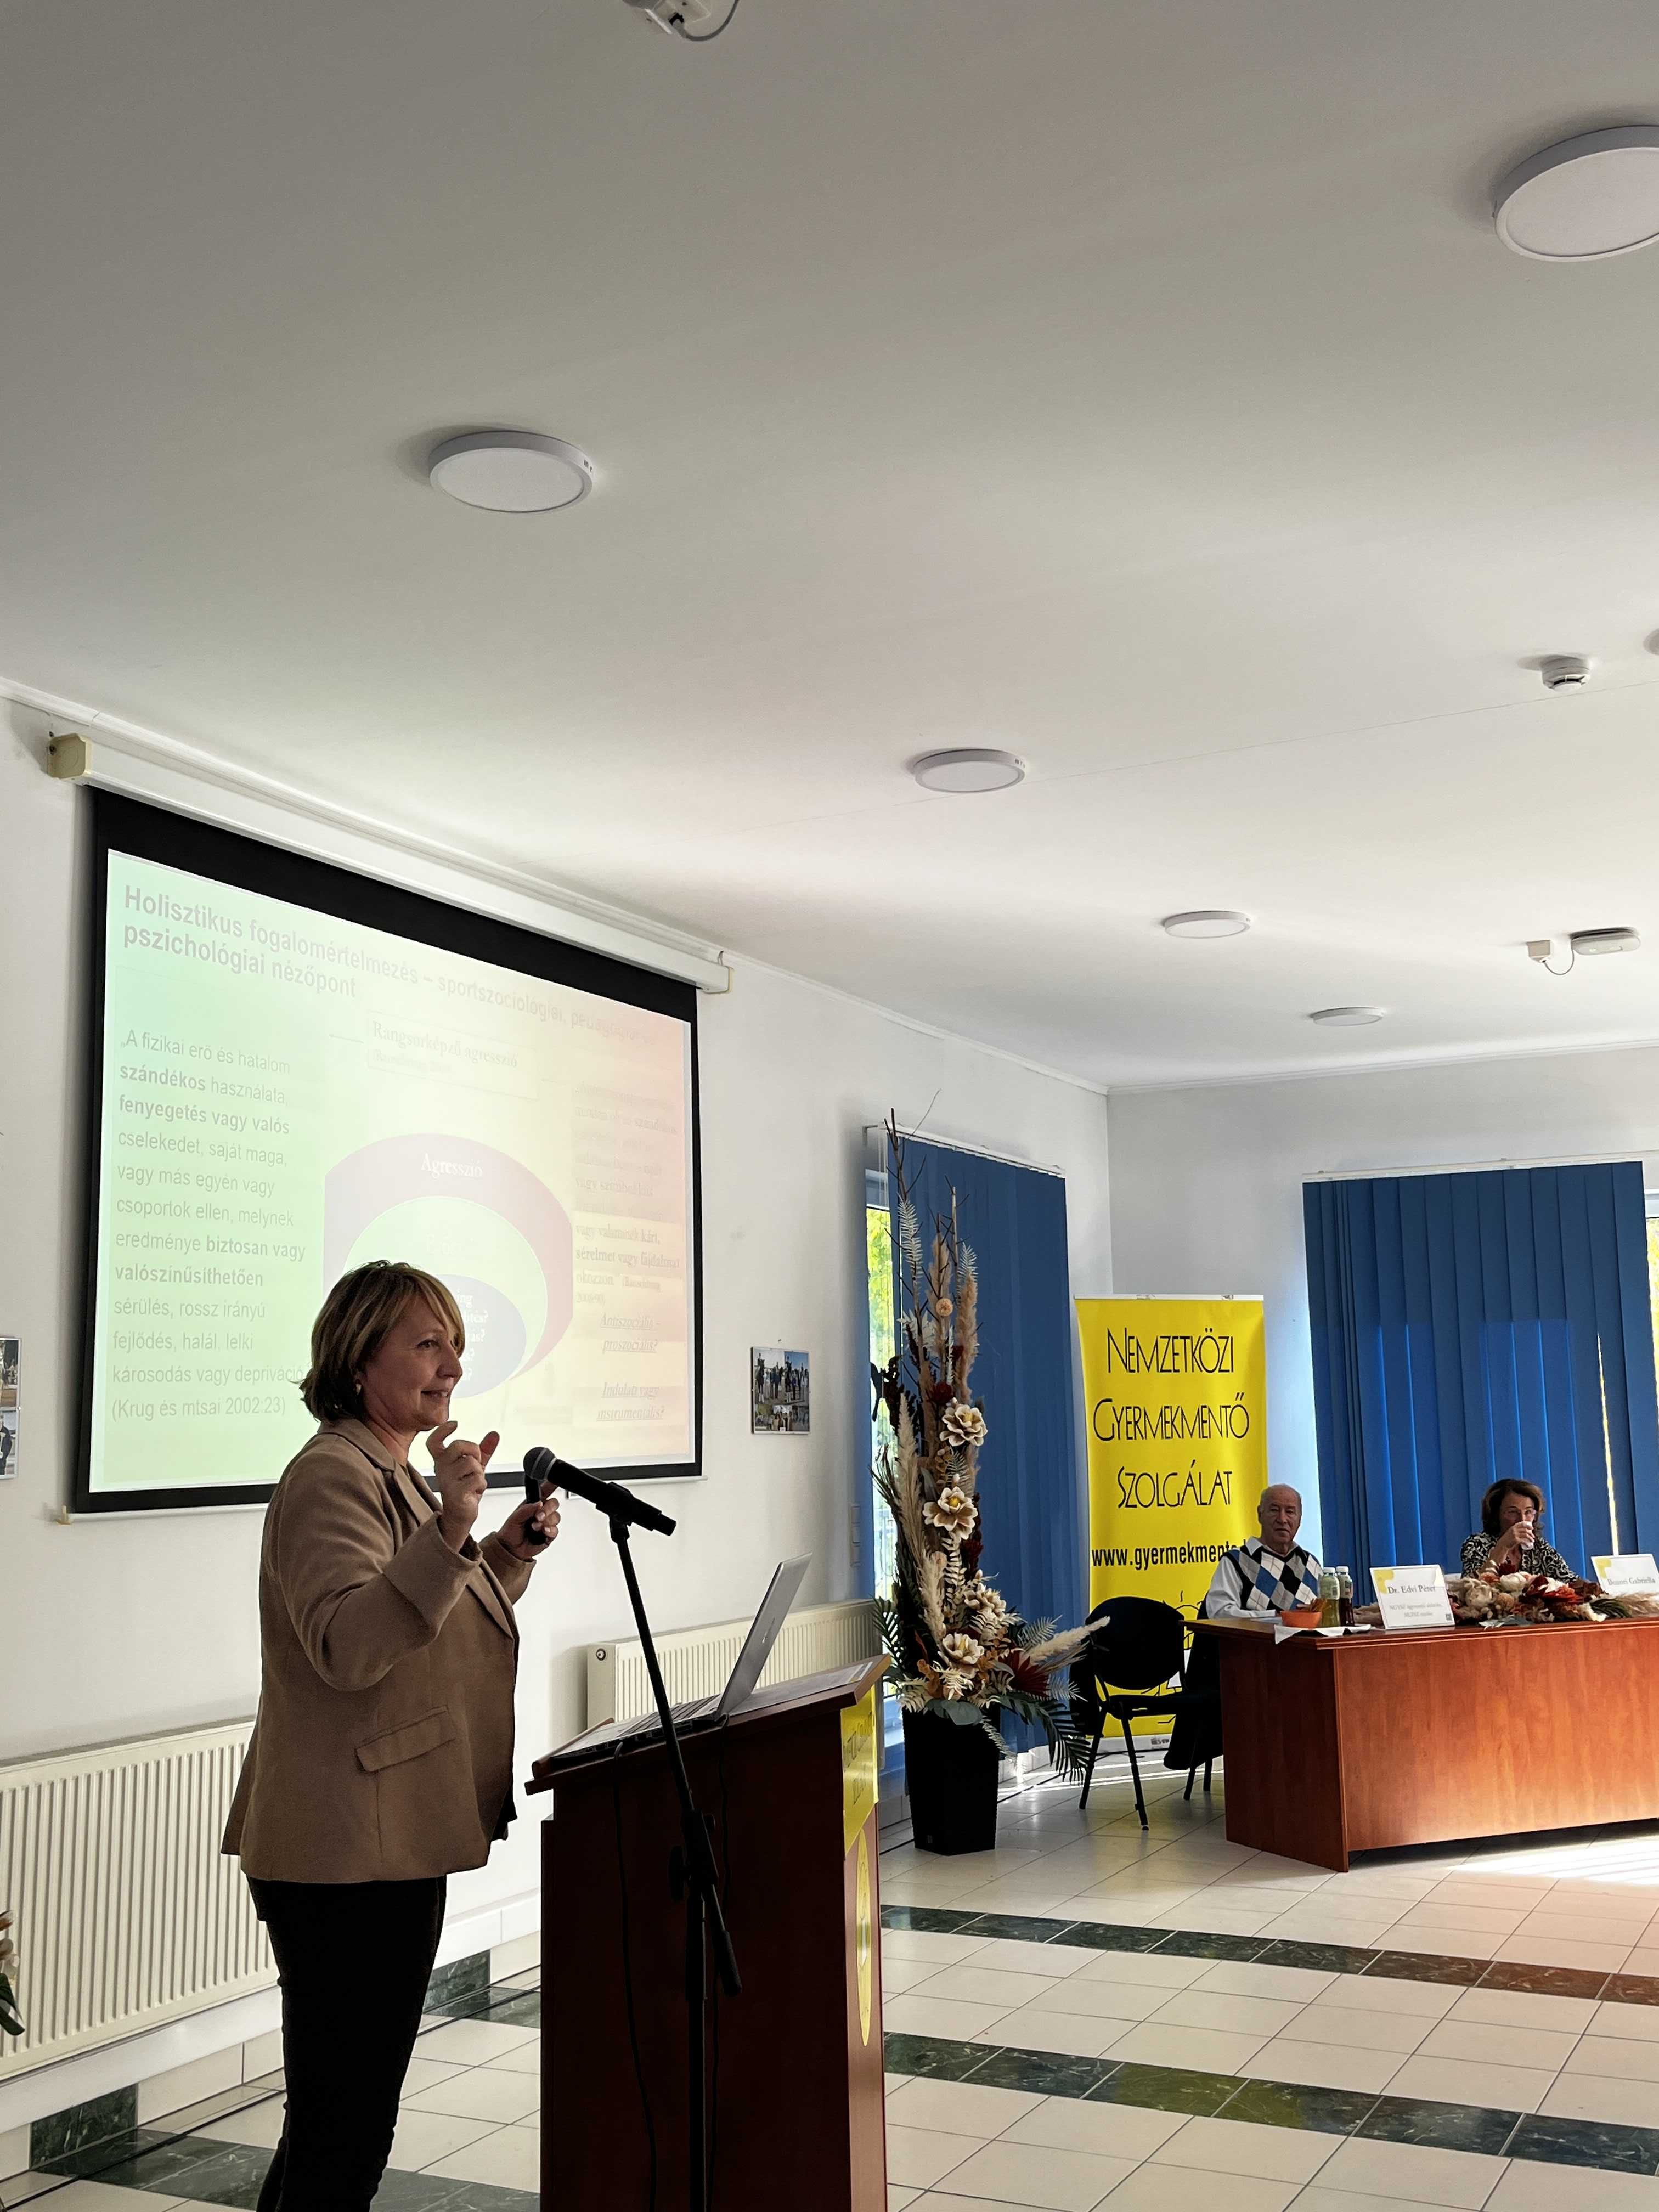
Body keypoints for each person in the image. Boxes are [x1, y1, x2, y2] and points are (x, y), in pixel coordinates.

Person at [222, 1260, 560, 2212]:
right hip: (343, 1852)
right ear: (358, 1357)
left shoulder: (391, 1471)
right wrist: (452, 1524)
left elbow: (423, 1619)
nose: (451, 1366)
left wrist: (501, 1550)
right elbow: (349, 1644)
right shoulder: (331, 1475)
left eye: (456, 1344)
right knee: (343, 2129)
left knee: (338, 2124)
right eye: (427, 1343)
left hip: (383, 1836)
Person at [1201, 1484, 1323, 1618]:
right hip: (1250, 1634)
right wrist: (1276, 1617)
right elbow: (1219, 1614)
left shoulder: (1311, 1564)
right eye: (1274, 1510)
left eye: (1290, 1512)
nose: (1282, 1519)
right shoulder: (1236, 1561)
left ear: (1299, 1519)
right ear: (1260, 1515)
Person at [1461, 1479, 1573, 1581]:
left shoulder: (1539, 1546)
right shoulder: (1476, 1544)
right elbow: (1471, 1587)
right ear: (1496, 1514)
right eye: (1513, 1512)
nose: (1522, 1520)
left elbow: (1571, 1580)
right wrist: (1503, 1546)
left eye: (1528, 1512)